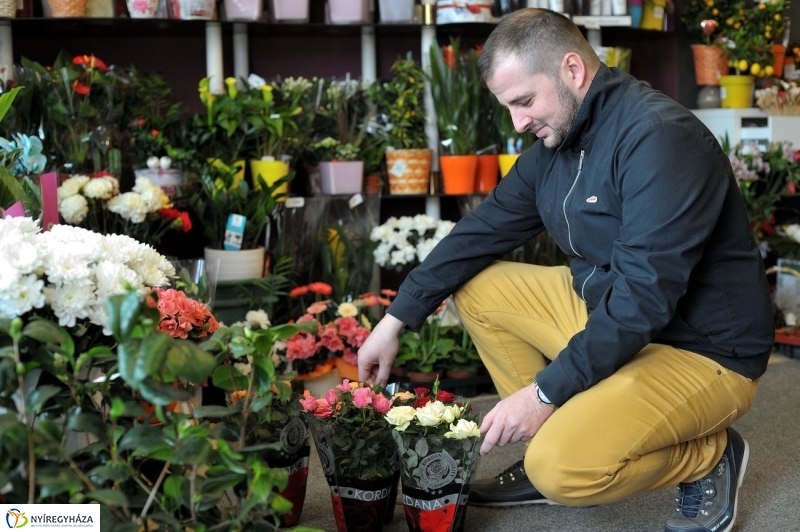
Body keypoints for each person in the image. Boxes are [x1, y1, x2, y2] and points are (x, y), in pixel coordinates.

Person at [360, 7, 775, 532]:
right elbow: (482, 231)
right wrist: (396, 318)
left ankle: (709, 456)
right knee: (481, 287)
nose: (518, 122)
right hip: (613, 312)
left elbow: (643, 297)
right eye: (508, 106)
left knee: (561, 468)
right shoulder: (556, 140)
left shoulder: (659, 138)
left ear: (573, 70)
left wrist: (542, 394)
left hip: (702, 349)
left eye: (524, 101)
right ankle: (559, 426)